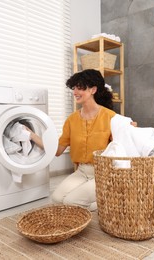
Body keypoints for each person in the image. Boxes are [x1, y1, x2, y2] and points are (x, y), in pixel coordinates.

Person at [29, 69, 116, 211]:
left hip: (104, 173)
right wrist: (32, 135)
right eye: (74, 87)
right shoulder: (72, 120)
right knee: (57, 199)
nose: (75, 91)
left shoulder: (110, 117)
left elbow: (123, 148)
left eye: (80, 87)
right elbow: (57, 150)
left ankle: (107, 198)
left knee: (71, 201)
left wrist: (129, 129)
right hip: (82, 171)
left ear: (93, 89)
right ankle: (100, 201)